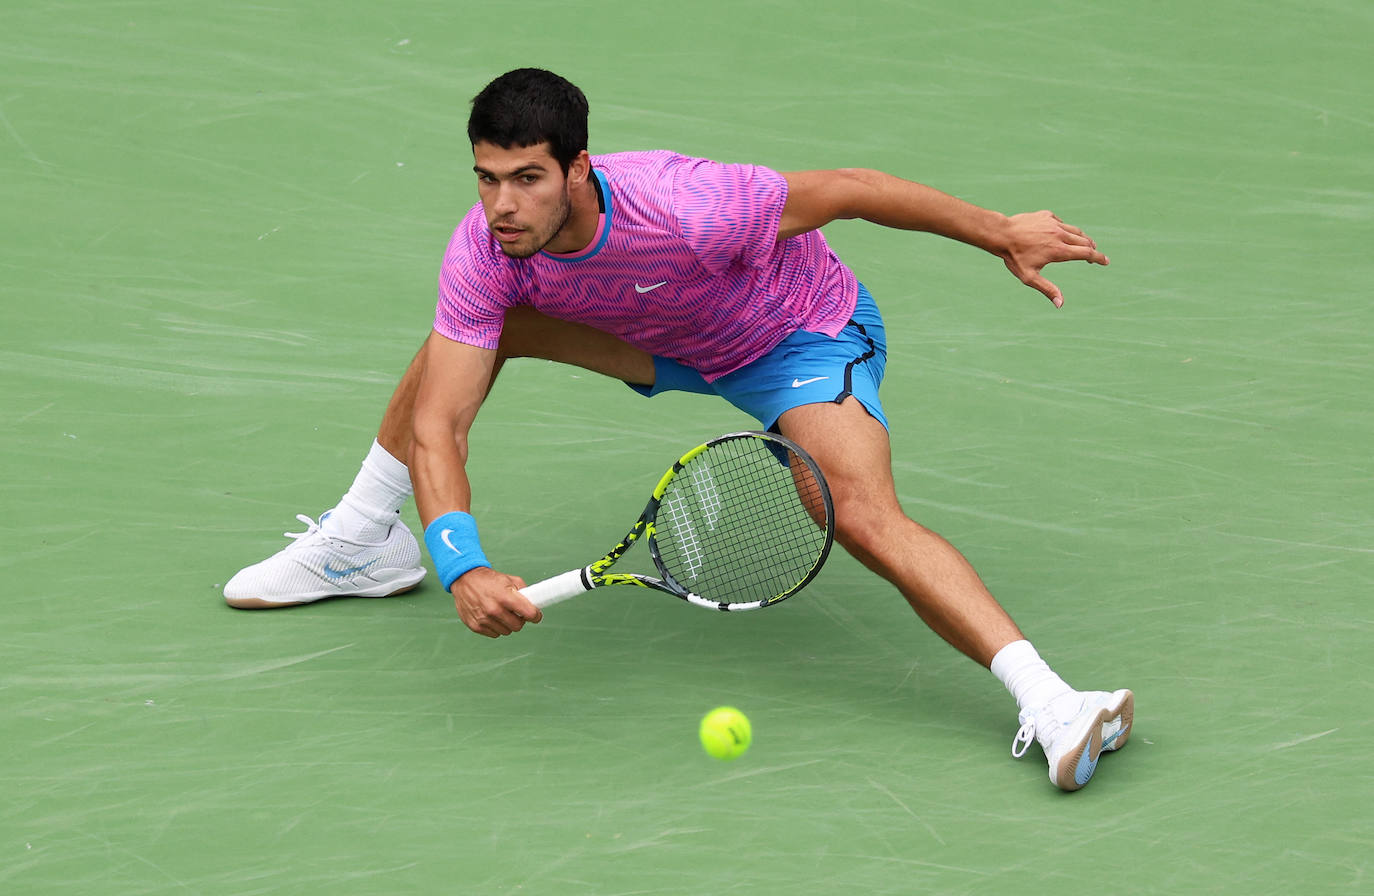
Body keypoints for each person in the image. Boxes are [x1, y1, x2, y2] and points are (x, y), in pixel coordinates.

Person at [224, 68, 1133, 791]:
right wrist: (459, 559)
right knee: (456, 346)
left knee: (852, 510)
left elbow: (852, 189)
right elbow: (440, 424)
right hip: (660, 339)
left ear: (579, 169)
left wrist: (999, 231)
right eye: (488, 178)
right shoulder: (484, 251)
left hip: (795, 338)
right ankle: (359, 544)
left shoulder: (691, 204)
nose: (503, 206)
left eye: (528, 180)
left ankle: (1051, 701)